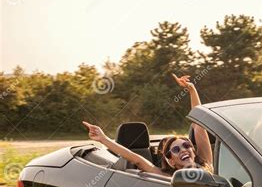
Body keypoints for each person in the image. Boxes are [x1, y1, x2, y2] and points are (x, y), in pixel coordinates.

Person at [82, 74, 213, 176]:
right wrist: (103, 139)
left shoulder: (207, 165)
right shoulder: (167, 178)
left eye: (186, 145)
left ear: (194, 151)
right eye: (176, 150)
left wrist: (191, 89)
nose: (184, 149)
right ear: (171, 161)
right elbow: (136, 159)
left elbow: (199, 123)